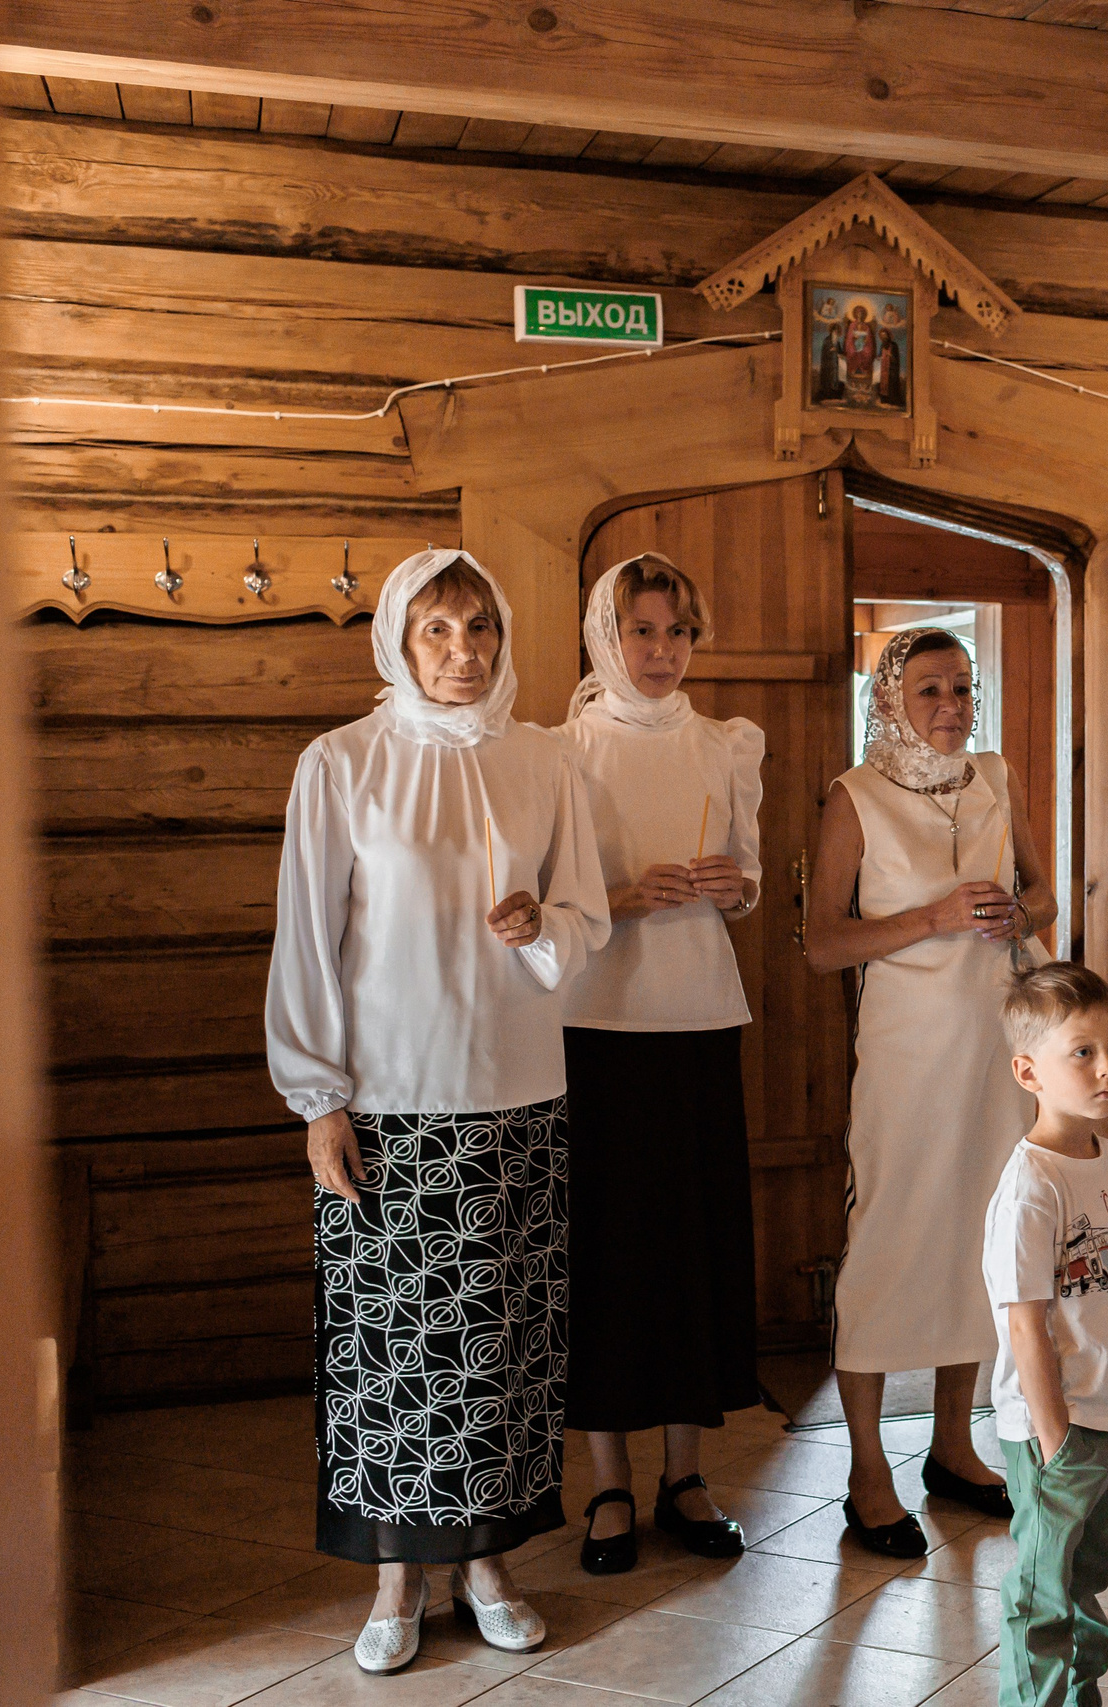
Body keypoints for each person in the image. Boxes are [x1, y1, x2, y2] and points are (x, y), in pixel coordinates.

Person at [265, 549, 610, 1675]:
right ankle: (392, 1583)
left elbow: (588, 915)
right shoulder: (342, 765)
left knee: (502, 1352)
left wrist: (541, 922)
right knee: (395, 1359)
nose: (464, 652)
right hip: (391, 1107)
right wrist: (318, 1098)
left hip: (517, 1095)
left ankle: (488, 1565)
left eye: (480, 629)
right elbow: (307, 944)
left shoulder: (546, 758)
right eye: (438, 632)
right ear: (398, 644)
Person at [807, 627, 1056, 1556]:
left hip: (996, 1041)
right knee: (887, 1239)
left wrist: (1018, 911)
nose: (951, 707)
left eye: (962, 688)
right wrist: (934, 917)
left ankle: (954, 1442)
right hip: (907, 1055)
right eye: (929, 692)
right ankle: (867, 1469)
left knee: (980, 1236)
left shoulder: (996, 774)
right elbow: (821, 941)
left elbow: (1044, 889)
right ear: (890, 701)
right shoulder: (856, 797)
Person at [554, 553, 767, 1576]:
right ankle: (606, 1478)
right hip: (593, 1027)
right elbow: (544, 898)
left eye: (678, 633)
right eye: (642, 632)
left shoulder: (727, 743)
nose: (661, 652)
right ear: (605, 634)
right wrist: (616, 898)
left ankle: (685, 1473)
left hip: (697, 1020)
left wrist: (735, 886)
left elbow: (752, 878)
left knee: (691, 1247)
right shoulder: (560, 750)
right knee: (605, 1252)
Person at [982, 962, 1108, 1707]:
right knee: (1043, 1594)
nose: (1107, 1067)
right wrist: (1054, 1440)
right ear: (1029, 1071)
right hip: (1063, 1428)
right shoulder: (1031, 1187)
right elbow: (1027, 1323)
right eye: (1082, 1052)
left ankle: (1081, 1697)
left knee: (1086, 1583)